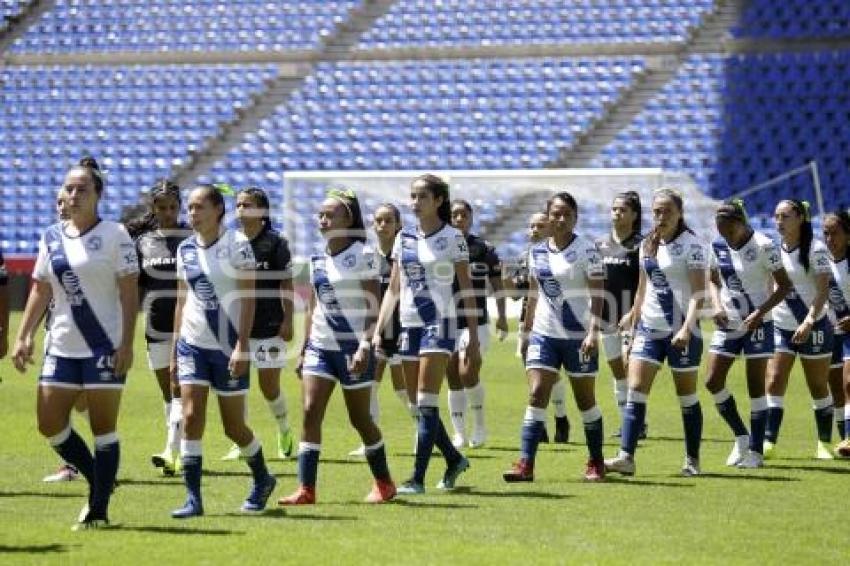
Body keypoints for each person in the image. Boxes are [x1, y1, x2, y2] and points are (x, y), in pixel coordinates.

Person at [11, 157, 139, 529]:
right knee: (49, 423)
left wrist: (127, 344)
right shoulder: (50, 236)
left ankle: (98, 508)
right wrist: (24, 335)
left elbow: (130, 293)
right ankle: (101, 480)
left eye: (83, 188)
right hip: (62, 344)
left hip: (105, 345)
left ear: (98, 194)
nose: (74, 193)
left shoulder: (116, 235)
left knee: (103, 429)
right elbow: (41, 287)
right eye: (69, 187)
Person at [279, 188, 396, 505]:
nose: (323, 219)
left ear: (349, 218)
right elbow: (313, 308)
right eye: (320, 214)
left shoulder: (365, 255)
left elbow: (374, 305)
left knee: (360, 419)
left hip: (353, 349)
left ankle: (384, 482)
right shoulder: (316, 261)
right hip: (319, 347)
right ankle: (306, 489)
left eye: (331, 214)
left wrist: (365, 345)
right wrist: (304, 349)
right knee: (309, 412)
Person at [170, 184, 276, 518]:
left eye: (200, 206)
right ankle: (193, 499)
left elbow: (248, 297)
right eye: (189, 208)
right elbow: (181, 299)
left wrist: (243, 345)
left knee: (234, 427)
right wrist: (175, 350)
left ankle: (262, 478)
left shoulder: (237, 245)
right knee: (190, 417)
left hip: (228, 345)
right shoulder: (185, 249)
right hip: (192, 343)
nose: (193, 213)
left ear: (219, 210)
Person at [372, 174, 477, 494]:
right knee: (419, 405)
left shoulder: (452, 238)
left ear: (438, 201)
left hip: (441, 323)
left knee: (427, 400)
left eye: (422, 197)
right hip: (409, 324)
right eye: (412, 196)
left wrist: (471, 333)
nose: (414, 202)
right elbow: (394, 287)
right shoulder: (404, 238)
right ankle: (454, 459)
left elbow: (466, 287)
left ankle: (416, 478)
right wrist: (378, 330)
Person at [503, 192, 607, 482]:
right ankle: (525, 464)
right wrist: (525, 331)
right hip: (544, 335)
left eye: (567, 214)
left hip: (578, 336)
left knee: (585, 400)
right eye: (556, 214)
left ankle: (596, 462)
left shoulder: (587, 250)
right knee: (537, 394)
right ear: (548, 216)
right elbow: (534, 294)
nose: (561, 219)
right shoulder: (536, 252)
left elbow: (598, 294)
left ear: (575, 218)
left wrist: (593, 332)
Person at [605, 188, 708, 477]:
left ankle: (692, 459)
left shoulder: (693, 245)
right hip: (649, 329)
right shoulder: (647, 244)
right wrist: (632, 317)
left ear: (679, 214)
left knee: (686, 396)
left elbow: (699, 294)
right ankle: (626, 457)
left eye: (668, 212)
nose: (661, 217)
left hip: (681, 331)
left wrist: (688, 328)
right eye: (657, 212)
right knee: (635, 388)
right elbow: (642, 288)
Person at [705, 199, 791, 469]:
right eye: (720, 229)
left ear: (741, 223)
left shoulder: (765, 245)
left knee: (755, 388)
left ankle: (756, 451)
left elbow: (784, 286)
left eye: (729, 229)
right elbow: (712, 278)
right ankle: (741, 436)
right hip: (729, 322)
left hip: (758, 324)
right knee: (712, 381)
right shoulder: (717, 245)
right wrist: (716, 305)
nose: (725, 235)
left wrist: (760, 312)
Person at [220, 187, 295, 461]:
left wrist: (288, 320)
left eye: (247, 205)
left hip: (269, 325)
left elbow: (286, 283)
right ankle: (242, 441)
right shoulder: (229, 241)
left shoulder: (276, 243)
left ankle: (284, 428)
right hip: (238, 326)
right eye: (238, 205)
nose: (241, 210)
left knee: (268, 386)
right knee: (237, 384)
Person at [127, 180, 190, 476]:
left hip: (190, 326)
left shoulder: (192, 239)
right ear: (153, 208)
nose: (167, 212)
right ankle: (177, 446)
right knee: (169, 395)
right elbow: (134, 288)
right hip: (155, 327)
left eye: (173, 207)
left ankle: (171, 451)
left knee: (179, 390)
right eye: (162, 207)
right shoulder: (143, 242)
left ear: (180, 207)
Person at [764, 199, 834, 460]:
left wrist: (808, 321)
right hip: (782, 327)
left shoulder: (815, 250)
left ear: (800, 219)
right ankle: (769, 442)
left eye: (785, 217)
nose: (779, 222)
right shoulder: (772, 250)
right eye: (776, 216)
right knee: (774, 381)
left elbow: (823, 291)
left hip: (813, 326)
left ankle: (824, 443)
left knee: (817, 385)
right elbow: (772, 286)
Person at [349, 202, 413, 457]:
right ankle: (369, 440)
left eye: (388, 220)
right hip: (375, 331)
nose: (383, 225)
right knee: (370, 384)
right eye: (379, 220)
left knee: (403, 390)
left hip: (402, 328)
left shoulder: (405, 257)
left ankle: (426, 429)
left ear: (398, 225)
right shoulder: (366, 257)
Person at [446, 199, 508, 449]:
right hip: (447, 321)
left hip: (477, 321)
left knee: (467, 372)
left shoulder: (483, 249)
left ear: (471, 218)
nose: (459, 219)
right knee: (452, 377)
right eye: (455, 215)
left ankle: (480, 426)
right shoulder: (439, 247)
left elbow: (497, 284)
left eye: (464, 215)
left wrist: (502, 316)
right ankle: (459, 433)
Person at [40, 188, 90, 483]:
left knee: (72, 401)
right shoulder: (51, 238)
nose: (61, 206)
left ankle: (96, 454)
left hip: (86, 334)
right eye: (57, 201)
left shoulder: (92, 241)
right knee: (67, 401)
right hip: (56, 330)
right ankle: (76, 462)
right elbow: (41, 288)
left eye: (65, 201)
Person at [508, 212, 570, 443]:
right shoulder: (525, 257)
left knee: (552, 376)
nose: (534, 230)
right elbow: (515, 294)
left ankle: (561, 417)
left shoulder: (561, 257)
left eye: (540, 226)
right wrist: (505, 279)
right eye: (531, 225)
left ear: (551, 228)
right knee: (533, 374)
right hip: (530, 320)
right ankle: (540, 423)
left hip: (557, 321)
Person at [596, 191, 646, 439]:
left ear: (634, 215)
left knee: (630, 368)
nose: (617, 213)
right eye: (614, 209)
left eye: (623, 209)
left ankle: (636, 425)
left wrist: (635, 312)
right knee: (617, 370)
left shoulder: (642, 244)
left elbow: (645, 284)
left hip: (632, 318)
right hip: (606, 317)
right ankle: (626, 424)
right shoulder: (600, 245)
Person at [824, 210, 850, 455]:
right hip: (833, 331)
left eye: (835, 233)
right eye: (826, 233)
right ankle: (845, 439)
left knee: (849, 382)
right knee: (837, 389)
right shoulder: (820, 261)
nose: (830, 238)